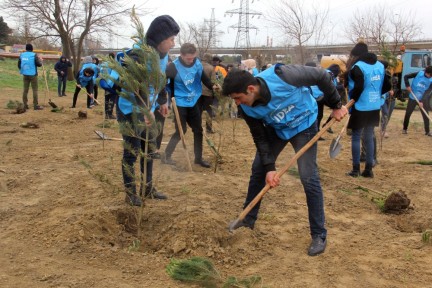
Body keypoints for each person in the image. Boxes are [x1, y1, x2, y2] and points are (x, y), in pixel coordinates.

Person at [222, 65, 347, 256]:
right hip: (278, 130)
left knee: (308, 176)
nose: (237, 103)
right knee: (259, 169)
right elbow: (260, 138)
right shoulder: (247, 110)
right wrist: (270, 168)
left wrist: (336, 106)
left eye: (238, 98)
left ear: (251, 89)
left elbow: (321, 75)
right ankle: (247, 220)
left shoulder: (282, 75)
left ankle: (319, 234)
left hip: (304, 125)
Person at [117, 15, 180, 206]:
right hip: (130, 110)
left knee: (149, 149)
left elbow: (161, 80)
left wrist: (162, 101)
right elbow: (132, 85)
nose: (173, 43)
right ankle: (130, 193)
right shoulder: (137, 56)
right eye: (171, 39)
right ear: (161, 38)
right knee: (132, 152)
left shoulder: (162, 56)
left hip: (148, 109)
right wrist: (144, 109)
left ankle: (148, 188)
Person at [163, 43, 217, 168]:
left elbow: (204, 78)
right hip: (179, 102)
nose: (190, 60)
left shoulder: (197, 63)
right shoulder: (173, 67)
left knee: (198, 130)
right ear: (181, 55)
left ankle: (198, 158)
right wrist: (169, 100)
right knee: (181, 131)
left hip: (193, 100)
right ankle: (167, 155)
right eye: (188, 58)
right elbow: (166, 84)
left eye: (193, 57)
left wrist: (212, 86)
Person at [345, 42, 391, 178]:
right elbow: (387, 86)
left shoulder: (357, 67)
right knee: (369, 137)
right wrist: (376, 94)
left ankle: (355, 170)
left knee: (356, 137)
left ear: (357, 55)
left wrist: (353, 99)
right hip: (374, 106)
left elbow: (358, 87)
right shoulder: (380, 66)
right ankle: (369, 170)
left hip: (360, 106)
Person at [402, 66, 432, 136]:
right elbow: (406, 76)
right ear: (426, 72)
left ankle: (427, 131)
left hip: (423, 99)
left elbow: (428, 92)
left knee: (426, 115)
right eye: (430, 75)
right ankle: (404, 129)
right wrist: (407, 86)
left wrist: (421, 101)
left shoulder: (431, 80)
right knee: (408, 113)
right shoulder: (419, 73)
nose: (430, 76)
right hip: (413, 97)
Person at [18, 43, 43, 110]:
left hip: (25, 74)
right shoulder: (34, 55)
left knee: (25, 90)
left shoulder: (22, 55)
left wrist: (23, 70)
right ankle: (35, 105)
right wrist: (41, 61)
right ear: (32, 49)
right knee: (35, 90)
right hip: (33, 74)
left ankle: (25, 105)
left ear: (26, 48)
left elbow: (19, 65)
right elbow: (39, 64)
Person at [198, 53, 217, 134]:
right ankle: (209, 129)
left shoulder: (197, 66)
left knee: (198, 111)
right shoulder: (211, 68)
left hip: (197, 93)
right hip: (208, 93)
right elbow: (213, 81)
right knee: (209, 111)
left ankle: (198, 128)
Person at [99, 52, 119, 119]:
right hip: (111, 83)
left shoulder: (103, 64)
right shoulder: (113, 64)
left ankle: (106, 114)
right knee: (112, 98)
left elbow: (100, 74)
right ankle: (110, 114)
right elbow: (114, 75)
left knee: (107, 98)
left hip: (105, 83)